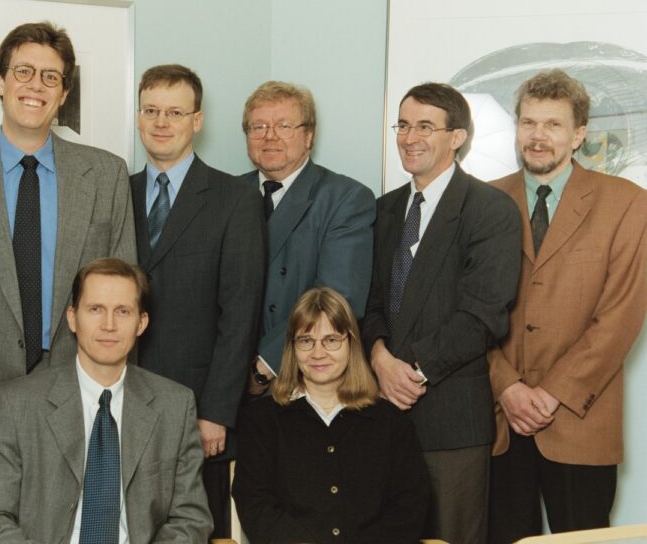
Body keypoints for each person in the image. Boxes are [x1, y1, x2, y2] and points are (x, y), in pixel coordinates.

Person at [0, 21, 137, 531]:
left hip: (83, 400)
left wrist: (119, 409)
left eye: (50, 77)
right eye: (23, 72)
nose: (36, 85)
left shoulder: (105, 174)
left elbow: (123, 300)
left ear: (64, 93)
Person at [487, 70, 647, 543]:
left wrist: (552, 393)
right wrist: (506, 386)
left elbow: (620, 317)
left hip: (580, 420)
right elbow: (466, 311)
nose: (538, 136)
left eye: (553, 124)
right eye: (528, 122)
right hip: (500, 421)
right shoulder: (483, 201)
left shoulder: (627, 203)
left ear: (578, 134)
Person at [362, 82, 521, 543]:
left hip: (451, 420)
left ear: (457, 137)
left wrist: (410, 373)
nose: (409, 137)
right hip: (382, 412)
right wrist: (379, 358)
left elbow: (482, 316)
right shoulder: (385, 210)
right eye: (403, 125)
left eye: (425, 127)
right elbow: (371, 302)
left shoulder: (490, 209)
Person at [0, 257, 213, 543]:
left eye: (123, 311)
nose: (109, 325)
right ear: (72, 318)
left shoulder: (175, 406)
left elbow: (191, 520)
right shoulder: (17, 403)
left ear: (141, 323)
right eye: (96, 309)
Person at [129, 64, 265, 537]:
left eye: (175, 112)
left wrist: (216, 412)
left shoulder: (235, 199)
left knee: (197, 531)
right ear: (138, 117)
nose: (161, 122)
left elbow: (240, 314)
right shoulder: (117, 192)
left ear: (197, 120)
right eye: (151, 110)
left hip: (198, 410)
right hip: (124, 401)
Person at [233, 287, 429, 543]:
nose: (318, 353)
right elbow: (254, 503)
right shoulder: (261, 421)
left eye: (331, 340)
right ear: (292, 348)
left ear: (351, 344)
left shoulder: (391, 422)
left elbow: (410, 506)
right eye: (306, 341)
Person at [242, 81, 375, 394]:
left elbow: (337, 299)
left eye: (284, 126)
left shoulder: (346, 198)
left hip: (301, 381)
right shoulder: (228, 195)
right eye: (258, 126)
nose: (270, 136)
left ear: (309, 135)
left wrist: (263, 368)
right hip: (228, 380)